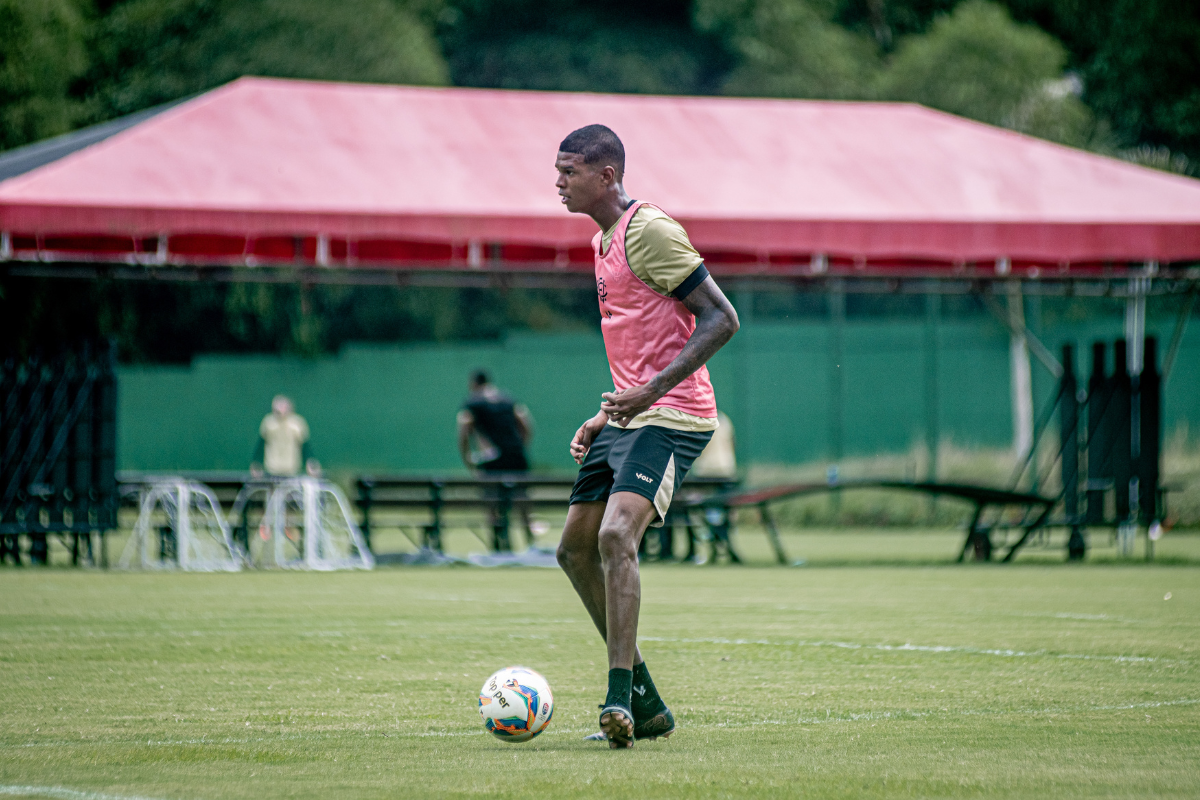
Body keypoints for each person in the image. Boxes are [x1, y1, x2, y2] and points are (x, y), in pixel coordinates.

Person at [553, 124, 740, 748]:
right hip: (630, 413)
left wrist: (648, 394)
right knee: (573, 549)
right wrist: (607, 412)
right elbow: (638, 344)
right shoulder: (602, 240)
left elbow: (722, 318)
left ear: (606, 176)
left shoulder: (649, 230)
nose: (558, 182)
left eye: (569, 171)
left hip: (676, 412)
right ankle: (648, 700)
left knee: (614, 535)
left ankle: (617, 701)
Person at [456, 370, 533, 473]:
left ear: (473, 384)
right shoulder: (508, 400)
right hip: (517, 459)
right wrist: (516, 450)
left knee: (491, 488)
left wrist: (467, 459)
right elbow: (526, 426)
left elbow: (464, 431)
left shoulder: (473, 403)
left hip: (492, 461)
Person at [251, 395, 319, 477]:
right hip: (272, 469)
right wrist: (256, 463)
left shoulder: (297, 424)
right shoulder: (268, 423)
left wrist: (310, 463)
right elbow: (261, 445)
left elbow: (305, 447)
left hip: (291, 470)